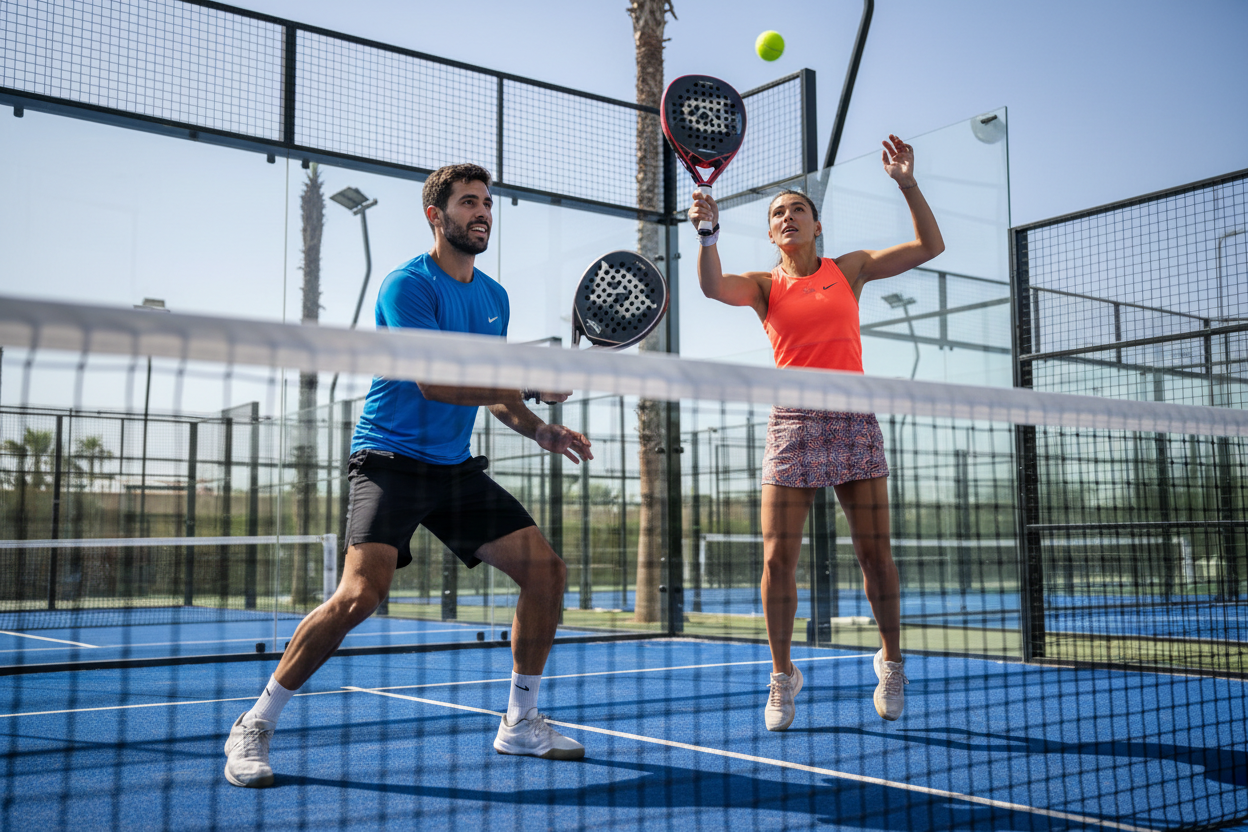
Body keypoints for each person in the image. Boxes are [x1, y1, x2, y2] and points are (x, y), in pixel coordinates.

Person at [224, 163, 593, 788]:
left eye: (487, 204)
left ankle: (520, 723)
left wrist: (539, 428)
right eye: (468, 202)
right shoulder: (407, 286)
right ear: (436, 215)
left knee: (546, 572)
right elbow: (437, 381)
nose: (482, 213)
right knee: (358, 597)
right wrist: (532, 378)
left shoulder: (494, 297)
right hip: (390, 461)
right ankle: (256, 723)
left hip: (452, 469)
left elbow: (493, 395)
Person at [690, 135, 944, 731]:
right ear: (773, 233)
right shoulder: (761, 285)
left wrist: (906, 182)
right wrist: (707, 236)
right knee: (778, 558)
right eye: (777, 213)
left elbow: (930, 246)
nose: (787, 217)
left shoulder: (848, 269)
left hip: (853, 416)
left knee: (873, 553)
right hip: (794, 423)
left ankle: (892, 659)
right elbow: (709, 286)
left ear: (816, 224)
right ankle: (782, 675)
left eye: (796, 209)